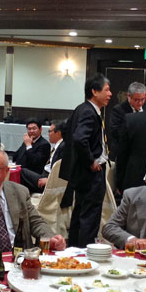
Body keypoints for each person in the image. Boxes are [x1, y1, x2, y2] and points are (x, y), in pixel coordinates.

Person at [62, 73, 111, 247]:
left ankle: (74, 250)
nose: (110, 94)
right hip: (91, 173)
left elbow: (69, 134)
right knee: (90, 217)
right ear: (94, 91)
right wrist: (91, 161)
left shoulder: (82, 108)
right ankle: (85, 252)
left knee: (80, 213)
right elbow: (79, 139)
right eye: (106, 90)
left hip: (81, 172)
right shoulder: (89, 112)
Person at [107, 81, 146, 163]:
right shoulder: (118, 110)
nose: (140, 103)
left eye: (142, 99)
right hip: (122, 155)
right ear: (128, 96)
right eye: (136, 100)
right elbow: (115, 133)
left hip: (141, 156)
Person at [14, 118, 51, 194]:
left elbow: (35, 162)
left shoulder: (44, 144)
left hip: (34, 176)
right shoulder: (27, 141)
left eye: (34, 128)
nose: (31, 131)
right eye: (29, 129)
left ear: (40, 129)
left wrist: (28, 146)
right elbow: (16, 156)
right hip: (21, 171)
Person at [33, 119, 65, 191]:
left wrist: (49, 180)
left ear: (58, 133)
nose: (48, 134)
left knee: (22, 172)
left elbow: (60, 171)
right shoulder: (58, 146)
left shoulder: (63, 147)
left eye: (50, 131)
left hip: (49, 180)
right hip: (44, 174)